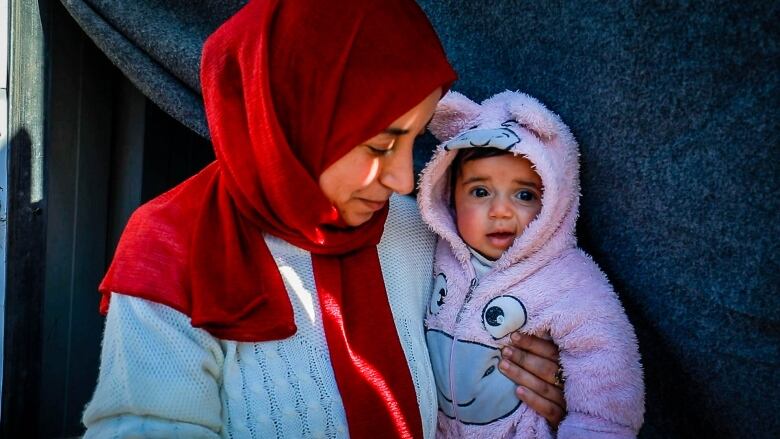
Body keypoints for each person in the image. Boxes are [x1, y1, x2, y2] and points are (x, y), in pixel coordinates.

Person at [82, 1, 566, 437]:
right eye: (380, 144)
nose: (402, 179)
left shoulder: (422, 230)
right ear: (296, 117)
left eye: (414, 140)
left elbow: (470, 351)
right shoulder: (172, 248)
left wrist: (526, 383)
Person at [417, 90, 645, 438]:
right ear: (449, 194)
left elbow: (606, 369)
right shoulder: (435, 251)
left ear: (555, 201)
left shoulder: (566, 279)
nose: (501, 211)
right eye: (480, 191)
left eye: (524, 194)